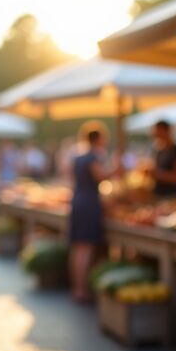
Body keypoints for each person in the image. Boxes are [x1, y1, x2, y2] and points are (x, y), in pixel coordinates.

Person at [69, 121, 117, 303]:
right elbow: (102, 177)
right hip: (88, 203)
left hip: (79, 200)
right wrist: (116, 169)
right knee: (85, 247)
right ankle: (81, 289)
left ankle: (77, 287)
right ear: (98, 139)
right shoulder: (91, 158)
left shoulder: (78, 157)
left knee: (78, 248)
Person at [147, 120, 176, 198]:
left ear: (167, 131)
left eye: (158, 132)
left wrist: (156, 174)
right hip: (157, 194)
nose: (155, 135)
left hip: (172, 195)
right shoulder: (157, 150)